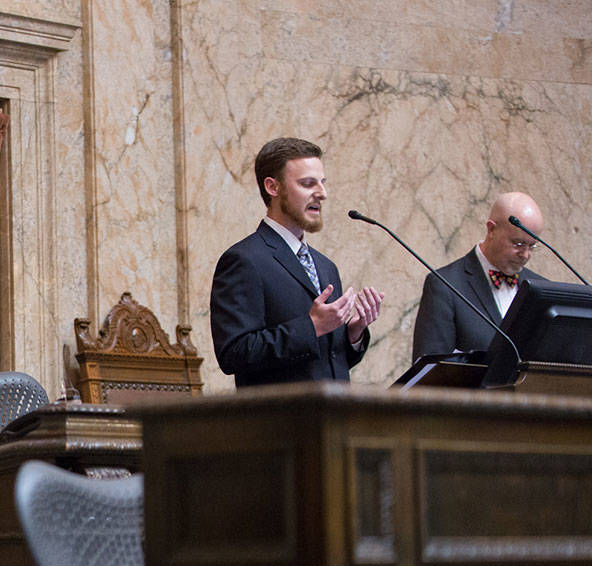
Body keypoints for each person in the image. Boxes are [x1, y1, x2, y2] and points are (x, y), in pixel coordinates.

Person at [210, 137, 384, 386]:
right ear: (273, 187)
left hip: (333, 417)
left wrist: (353, 333)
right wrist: (311, 326)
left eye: (322, 183)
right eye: (307, 183)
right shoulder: (244, 260)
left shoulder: (326, 266)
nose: (322, 194)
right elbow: (234, 353)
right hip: (280, 421)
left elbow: (326, 360)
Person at [411, 192, 548, 360]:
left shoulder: (541, 288)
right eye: (518, 244)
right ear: (491, 229)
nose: (525, 255)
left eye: (532, 246)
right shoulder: (445, 285)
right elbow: (428, 369)